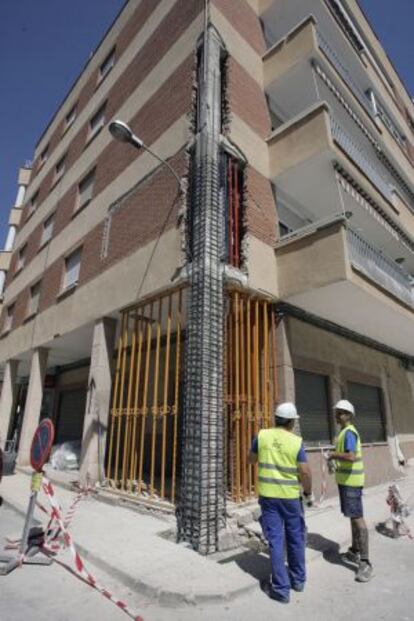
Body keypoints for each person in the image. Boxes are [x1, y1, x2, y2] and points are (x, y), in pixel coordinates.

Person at [249, 402, 312, 604]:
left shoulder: (262, 436)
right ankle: (298, 581)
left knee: (276, 541)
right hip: (291, 498)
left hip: (269, 498)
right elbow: (304, 471)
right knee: (296, 538)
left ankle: (281, 590)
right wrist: (308, 492)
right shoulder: (296, 442)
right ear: (292, 422)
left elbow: (250, 459)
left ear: (275, 418)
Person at [327, 399, 373, 582]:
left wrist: (332, 454)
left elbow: (351, 457)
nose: (336, 416)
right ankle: (354, 551)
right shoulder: (344, 433)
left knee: (357, 518)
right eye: (336, 412)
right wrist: (335, 460)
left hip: (352, 482)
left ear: (348, 415)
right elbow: (346, 457)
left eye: (340, 412)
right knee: (353, 517)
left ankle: (365, 562)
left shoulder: (349, 433)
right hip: (347, 481)